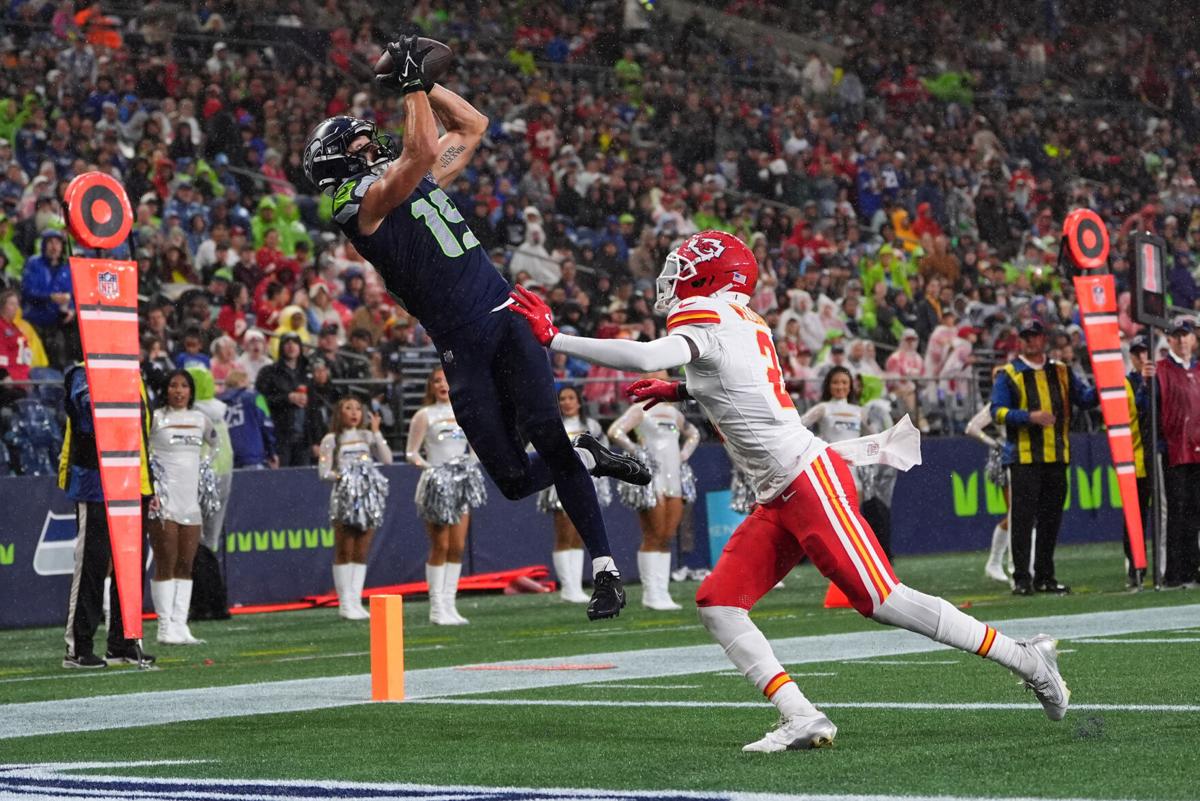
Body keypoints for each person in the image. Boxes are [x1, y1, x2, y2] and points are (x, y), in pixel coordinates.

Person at [510, 230, 1070, 752]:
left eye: (684, 270)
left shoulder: (709, 315)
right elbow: (736, 379)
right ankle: (800, 714)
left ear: (711, 277)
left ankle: (1026, 658)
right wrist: (681, 390)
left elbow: (646, 354)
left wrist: (556, 337)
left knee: (883, 600)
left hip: (807, 480)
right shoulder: (740, 318)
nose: (673, 280)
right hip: (781, 491)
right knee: (719, 603)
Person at [302, 39, 648, 620]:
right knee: (511, 479)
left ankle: (606, 570)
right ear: (340, 163)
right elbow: (418, 151)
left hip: (505, 317)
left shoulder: (412, 179)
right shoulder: (356, 202)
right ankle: (589, 455)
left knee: (549, 438)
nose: (371, 144)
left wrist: (423, 84)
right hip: (460, 344)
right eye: (359, 143)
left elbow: (472, 125)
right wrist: (409, 85)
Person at [59, 363, 156, 668]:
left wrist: (147, 485)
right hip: (95, 482)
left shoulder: (132, 372)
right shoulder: (83, 373)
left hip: (131, 483)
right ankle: (79, 647)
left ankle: (123, 642)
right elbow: (90, 418)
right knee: (92, 564)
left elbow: (141, 434)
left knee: (131, 567)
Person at [991, 319, 1097, 595]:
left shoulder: (1061, 371)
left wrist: (1105, 383)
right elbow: (997, 412)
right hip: (1023, 457)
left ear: (1043, 339)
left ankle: (1045, 576)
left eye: (1034, 335)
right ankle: (1021, 578)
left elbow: (1085, 399)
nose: (1030, 340)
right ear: (1020, 341)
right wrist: (1029, 417)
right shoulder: (1009, 373)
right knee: (1022, 520)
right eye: (1025, 336)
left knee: (1051, 519)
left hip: (1057, 456)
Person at [608, 372, 700, 610]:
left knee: (667, 535)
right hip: (652, 478)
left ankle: (663, 591)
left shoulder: (675, 414)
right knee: (653, 534)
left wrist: (683, 454)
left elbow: (694, 434)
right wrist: (637, 452)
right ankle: (650, 593)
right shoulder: (640, 409)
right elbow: (615, 431)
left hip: (674, 476)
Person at [405, 367, 486, 624]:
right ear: (430, 386)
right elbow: (411, 453)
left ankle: (450, 605)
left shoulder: (465, 411)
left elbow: (476, 447)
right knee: (440, 545)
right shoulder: (424, 415)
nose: (442, 385)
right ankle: (436, 607)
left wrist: (468, 466)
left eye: (446, 380)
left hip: (460, 484)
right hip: (437, 485)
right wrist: (432, 470)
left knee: (457, 546)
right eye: (437, 381)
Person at [149, 369, 219, 645]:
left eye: (184, 386)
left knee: (186, 563)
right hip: (163, 500)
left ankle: (180, 625)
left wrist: (204, 466)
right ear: (165, 390)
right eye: (173, 385)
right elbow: (141, 449)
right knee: (165, 561)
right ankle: (164, 626)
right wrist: (152, 481)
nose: (178, 391)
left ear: (191, 391)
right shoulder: (155, 418)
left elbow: (215, 443)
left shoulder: (200, 419)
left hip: (190, 500)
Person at [534, 385, 611, 604]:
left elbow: (603, 451)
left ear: (579, 402)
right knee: (564, 535)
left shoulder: (591, 425)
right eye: (562, 399)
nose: (566, 402)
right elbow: (533, 449)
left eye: (571, 398)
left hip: (587, 483)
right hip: (560, 483)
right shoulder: (553, 424)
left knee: (580, 535)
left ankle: (575, 587)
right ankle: (567, 587)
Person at [318, 395, 392, 619]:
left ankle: (356, 601)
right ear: (339, 413)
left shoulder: (367, 436)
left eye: (358, 408)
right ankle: (345, 603)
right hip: (345, 498)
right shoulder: (331, 439)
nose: (354, 413)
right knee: (345, 549)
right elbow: (323, 473)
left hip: (368, 499)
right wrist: (346, 477)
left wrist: (377, 432)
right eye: (348, 408)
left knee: (361, 550)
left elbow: (387, 459)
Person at [1149, 318, 1200, 588]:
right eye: (1177, 336)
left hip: (1197, 450)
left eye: (1186, 335)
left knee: (1194, 511)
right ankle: (1172, 571)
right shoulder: (1160, 370)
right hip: (1173, 449)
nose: (1182, 340)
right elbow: (1147, 406)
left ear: (1193, 339)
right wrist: (1145, 383)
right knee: (1174, 512)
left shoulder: (1198, 369)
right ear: (1169, 340)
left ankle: (1192, 568)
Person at [964, 366, 1020, 584]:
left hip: (1024, 455)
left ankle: (999, 563)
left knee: (1020, 514)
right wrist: (995, 443)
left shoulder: (1019, 398)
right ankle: (1005, 564)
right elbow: (971, 427)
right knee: (1016, 513)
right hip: (1008, 457)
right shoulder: (996, 404)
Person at [256, 332, 310, 466]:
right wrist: (287, 398)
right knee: (282, 475)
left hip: (304, 437)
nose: (291, 346)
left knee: (305, 475)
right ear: (281, 347)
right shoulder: (268, 372)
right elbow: (260, 401)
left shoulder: (307, 373)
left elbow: (315, 407)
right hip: (279, 435)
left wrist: (315, 439)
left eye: (295, 342)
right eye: (287, 343)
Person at [218, 369, 277, 468]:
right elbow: (267, 426)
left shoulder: (217, 402)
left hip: (226, 458)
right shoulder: (255, 397)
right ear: (241, 382)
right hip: (252, 456)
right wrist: (271, 453)